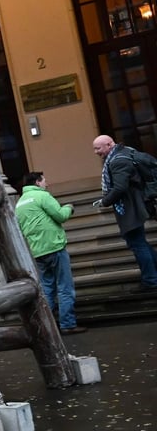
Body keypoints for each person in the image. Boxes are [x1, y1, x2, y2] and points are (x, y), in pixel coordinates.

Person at [15, 172, 86, 335]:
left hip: (37, 250)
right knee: (64, 287)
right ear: (38, 182)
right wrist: (69, 207)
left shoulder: (20, 203)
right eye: (45, 180)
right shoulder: (42, 196)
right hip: (54, 247)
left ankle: (45, 325)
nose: (47, 183)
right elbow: (60, 216)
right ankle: (68, 324)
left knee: (47, 288)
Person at [92, 135, 157, 292]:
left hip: (130, 206)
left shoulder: (118, 160)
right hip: (134, 203)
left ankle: (150, 280)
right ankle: (152, 275)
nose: (95, 152)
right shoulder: (126, 152)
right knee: (139, 242)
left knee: (137, 243)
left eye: (98, 148)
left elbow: (120, 188)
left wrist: (105, 201)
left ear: (109, 144)